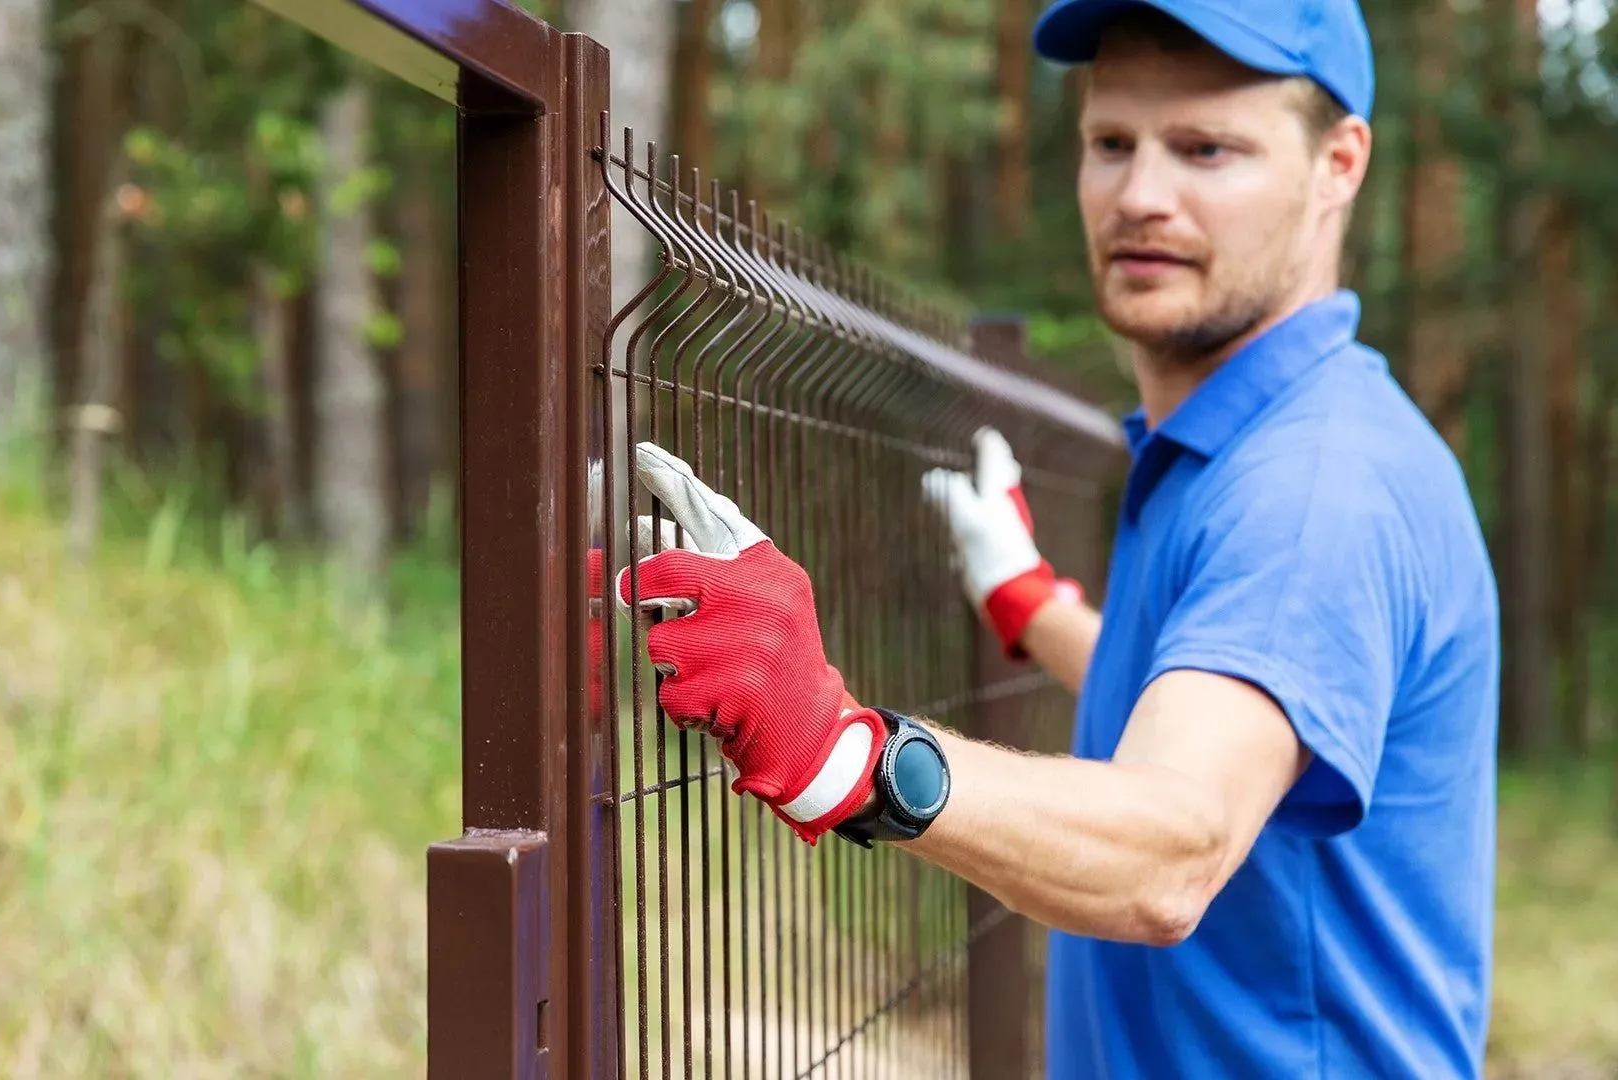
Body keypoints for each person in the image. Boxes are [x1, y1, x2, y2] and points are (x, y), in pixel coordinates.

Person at [611, 0, 1503, 1076]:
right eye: (1111, 143)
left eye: (1207, 149)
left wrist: (844, 751)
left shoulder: (1312, 487)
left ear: (1338, 164)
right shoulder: (1241, 441)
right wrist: (1035, 611)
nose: (1142, 196)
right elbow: (1223, 691)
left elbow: (1175, 847)